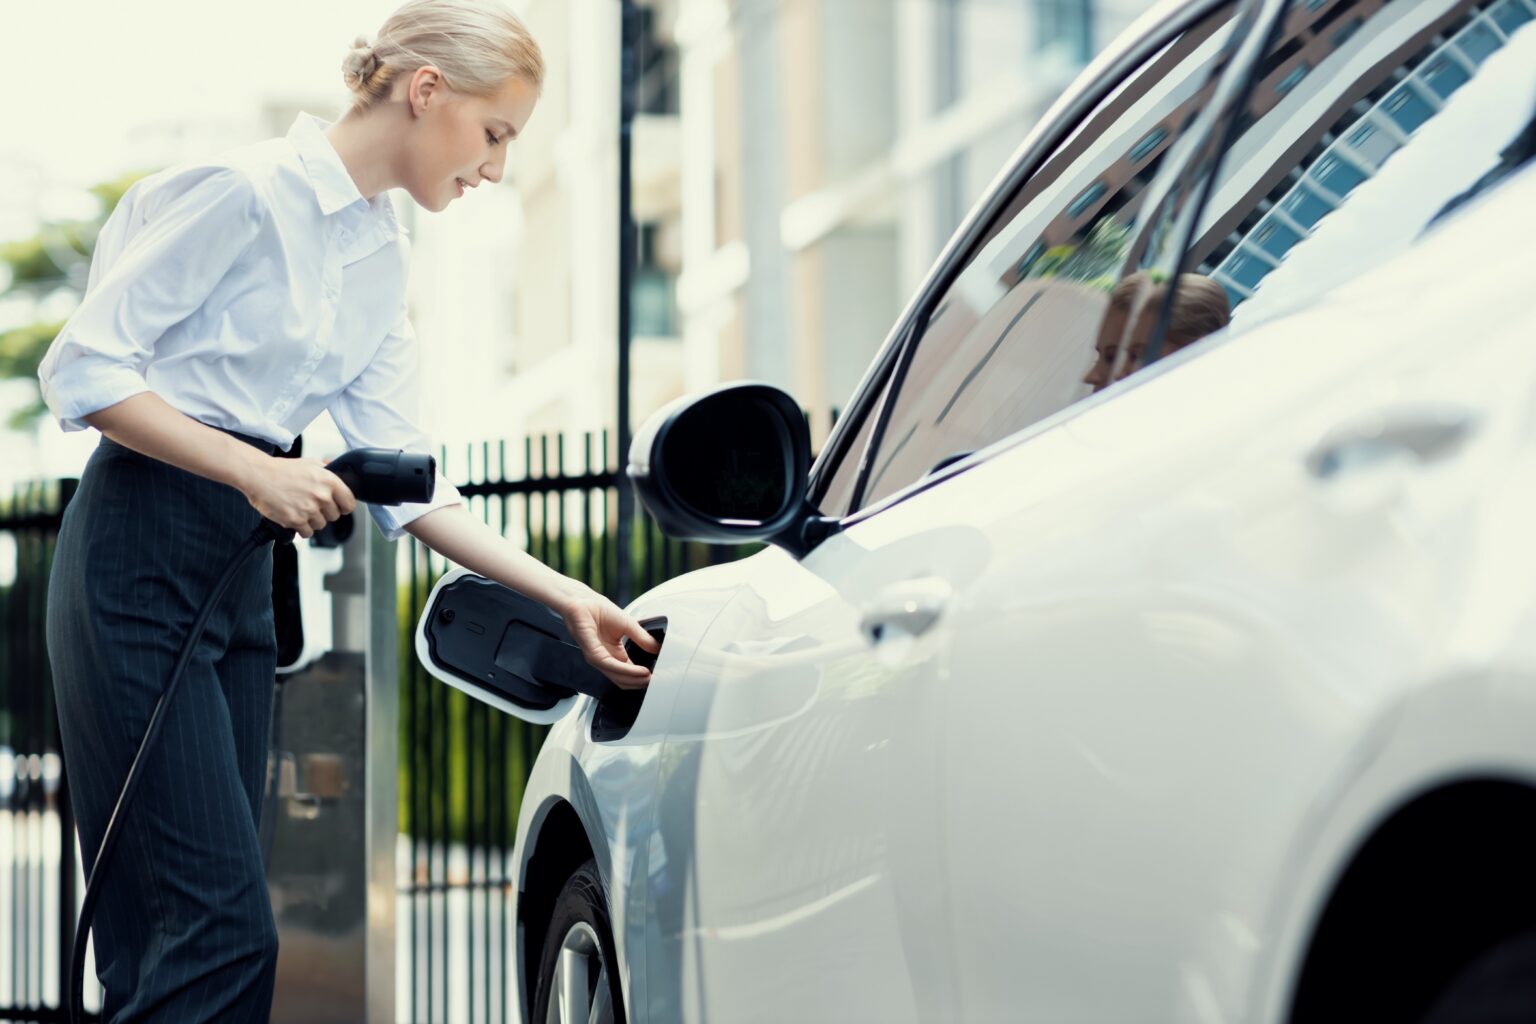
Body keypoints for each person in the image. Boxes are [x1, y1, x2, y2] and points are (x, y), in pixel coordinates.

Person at [36, 2, 658, 1020]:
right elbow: (87, 369)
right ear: (426, 91)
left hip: (236, 584)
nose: (497, 168)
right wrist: (256, 470)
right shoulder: (240, 195)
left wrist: (568, 596)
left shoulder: (380, 260)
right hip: (137, 561)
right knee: (219, 926)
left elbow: (415, 489)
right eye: (494, 134)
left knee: (167, 939)